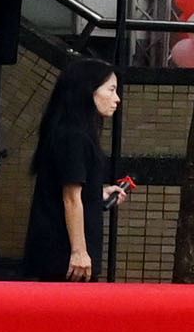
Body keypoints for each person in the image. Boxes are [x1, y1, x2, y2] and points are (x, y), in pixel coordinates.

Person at [22, 60, 121, 281]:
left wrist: (100, 193)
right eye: (111, 89)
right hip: (65, 258)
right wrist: (79, 252)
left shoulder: (68, 132)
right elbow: (71, 198)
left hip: (59, 255)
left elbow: (71, 189)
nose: (117, 99)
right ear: (88, 91)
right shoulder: (74, 136)